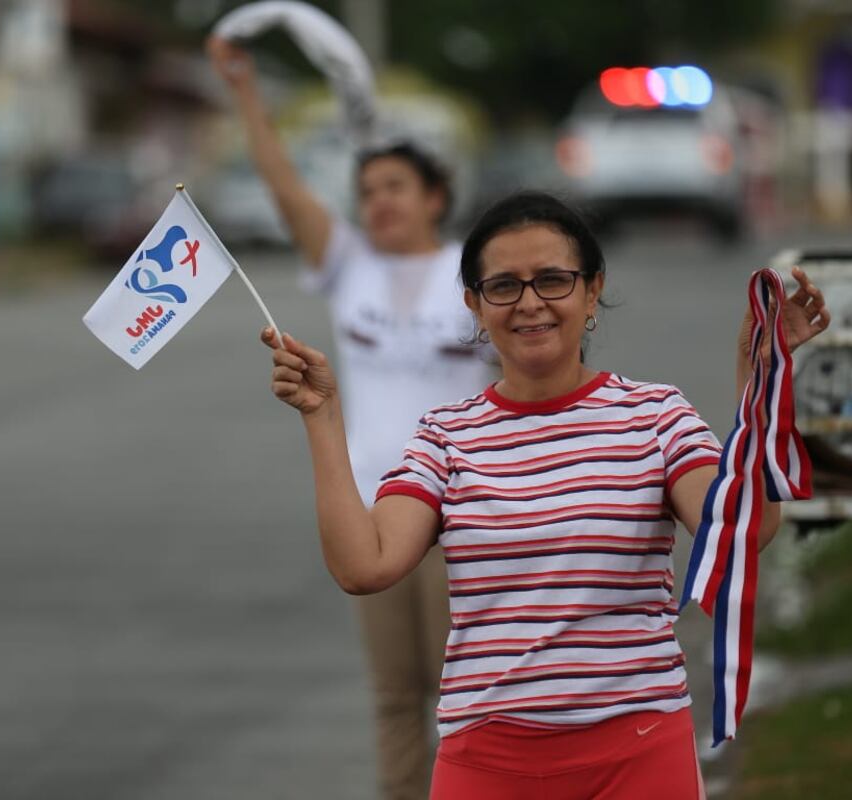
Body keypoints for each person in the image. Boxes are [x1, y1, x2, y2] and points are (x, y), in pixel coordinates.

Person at [260, 191, 830, 799]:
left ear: (591, 291)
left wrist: (759, 384)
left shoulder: (655, 414)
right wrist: (322, 418)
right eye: (503, 286)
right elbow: (364, 564)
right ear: (474, 307)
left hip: (637, 755)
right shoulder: (445, 436)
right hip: (485, 763)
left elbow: (743, 529)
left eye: (553, 280)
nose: (530, 303)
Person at [208, 37, 495, 800]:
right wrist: (244, 94)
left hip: (460, 512)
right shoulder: (350, 269)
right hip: (373, 507)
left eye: (396, 186)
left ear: (436, 195)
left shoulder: (477, 273)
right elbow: (283, 185)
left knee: (467, 700)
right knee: (397, 696)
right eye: (367, 192)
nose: (379, 204)